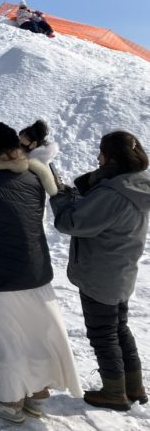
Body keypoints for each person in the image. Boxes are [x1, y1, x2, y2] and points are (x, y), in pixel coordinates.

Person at [0, 121, 81, 424]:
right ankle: (36, 394)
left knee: (8, 340)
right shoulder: (32, 176)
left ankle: (10, 401)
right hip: (36, 270)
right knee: (36, 334)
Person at [50, 130, 150, 411]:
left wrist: (58, 196)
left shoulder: (113, 193)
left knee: (103, 333)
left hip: (100, 273)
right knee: (119, 329)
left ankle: (114, 392)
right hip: (120, 270)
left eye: (102, 152)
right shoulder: (137, 183)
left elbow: (71, 223)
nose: (97, 157)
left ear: (112, 157)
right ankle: (134, 386)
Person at [0, 118, 60, 357]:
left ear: (33, 144)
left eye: (23, 144)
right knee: (14, 295)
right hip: (21, 231)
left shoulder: (37, 165)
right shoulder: (32, 164)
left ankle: (8, 342)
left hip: (25, 231)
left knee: (15, 297)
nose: (19, 148)